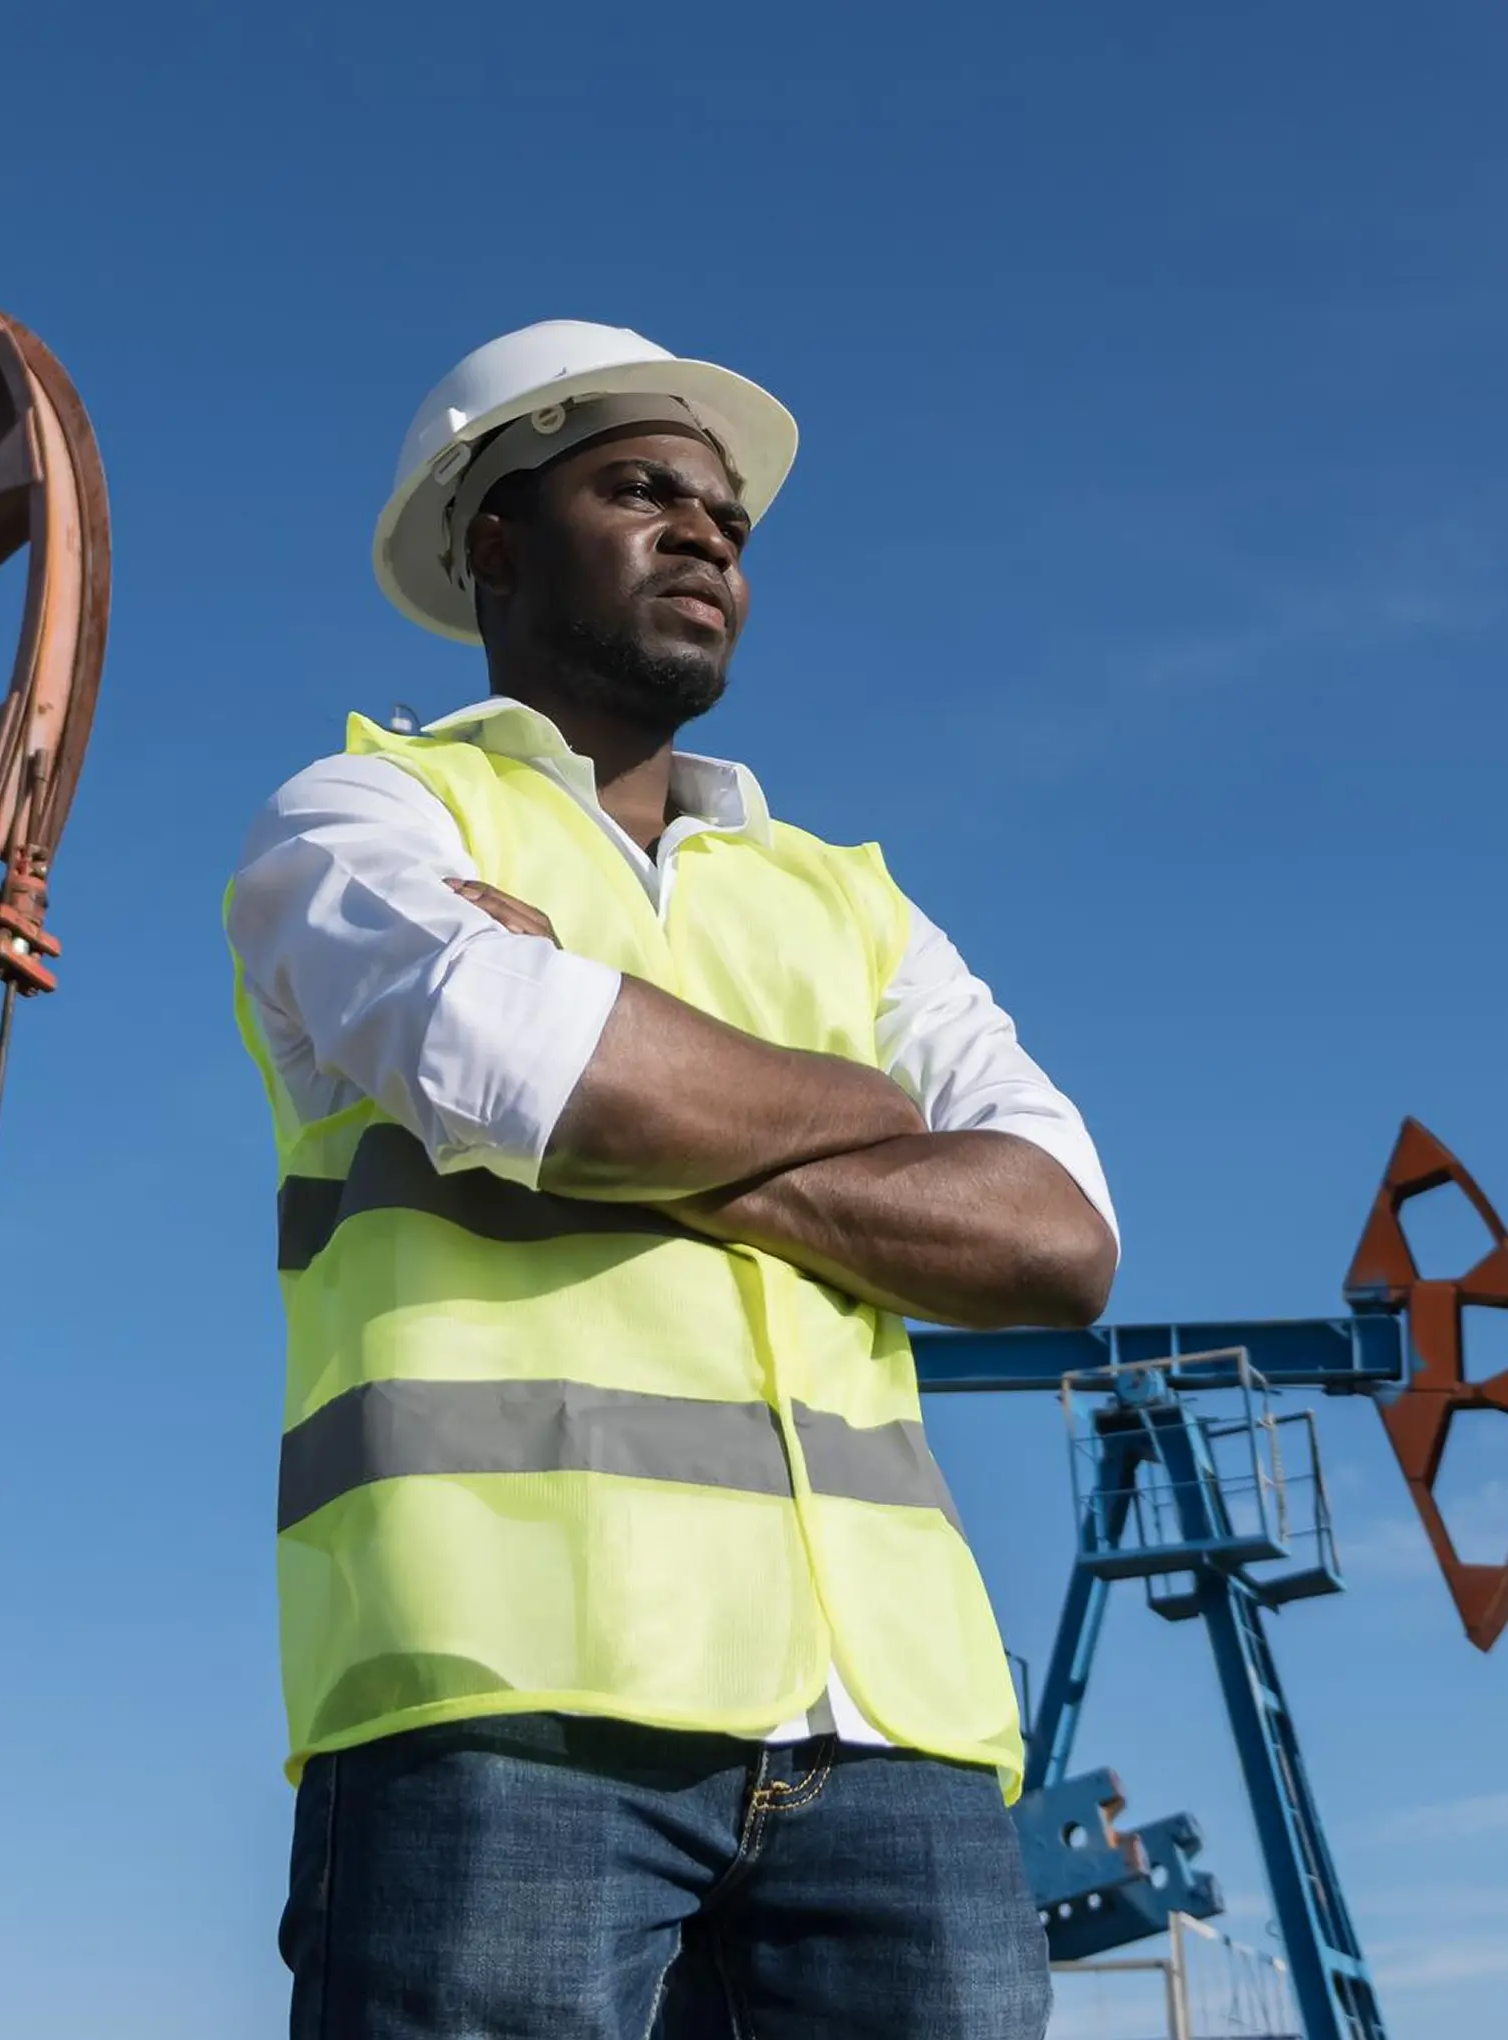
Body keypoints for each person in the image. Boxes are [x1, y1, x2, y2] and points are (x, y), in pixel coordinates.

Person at [225, 320, 1121, 2040]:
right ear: (494, 542)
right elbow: (532, 1071)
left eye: (728, 518)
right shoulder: (364, 822)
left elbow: (1058, 1240)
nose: (707, 533)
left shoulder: (849, 900)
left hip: (895, 1731)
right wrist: (871, 1118)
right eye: (641, 489)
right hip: (506, 1699)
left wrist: (647, 1104)